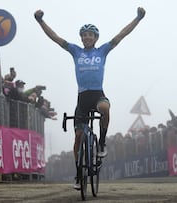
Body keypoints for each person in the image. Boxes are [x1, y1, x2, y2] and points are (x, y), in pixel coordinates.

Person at [34, 7, 145, 189]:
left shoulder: (102, 51)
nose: (87, 38)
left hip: (98, 95)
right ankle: (79, 175)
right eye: (84, 35)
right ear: (81, 38)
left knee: (105, 109)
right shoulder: (75, 51)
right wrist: (40, 21)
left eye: (90, 35)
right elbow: (55, 37)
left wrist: (138, 18)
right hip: (82, 100)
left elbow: (121, 34)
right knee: (78, 138)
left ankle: (101, 144)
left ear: (95, 38)